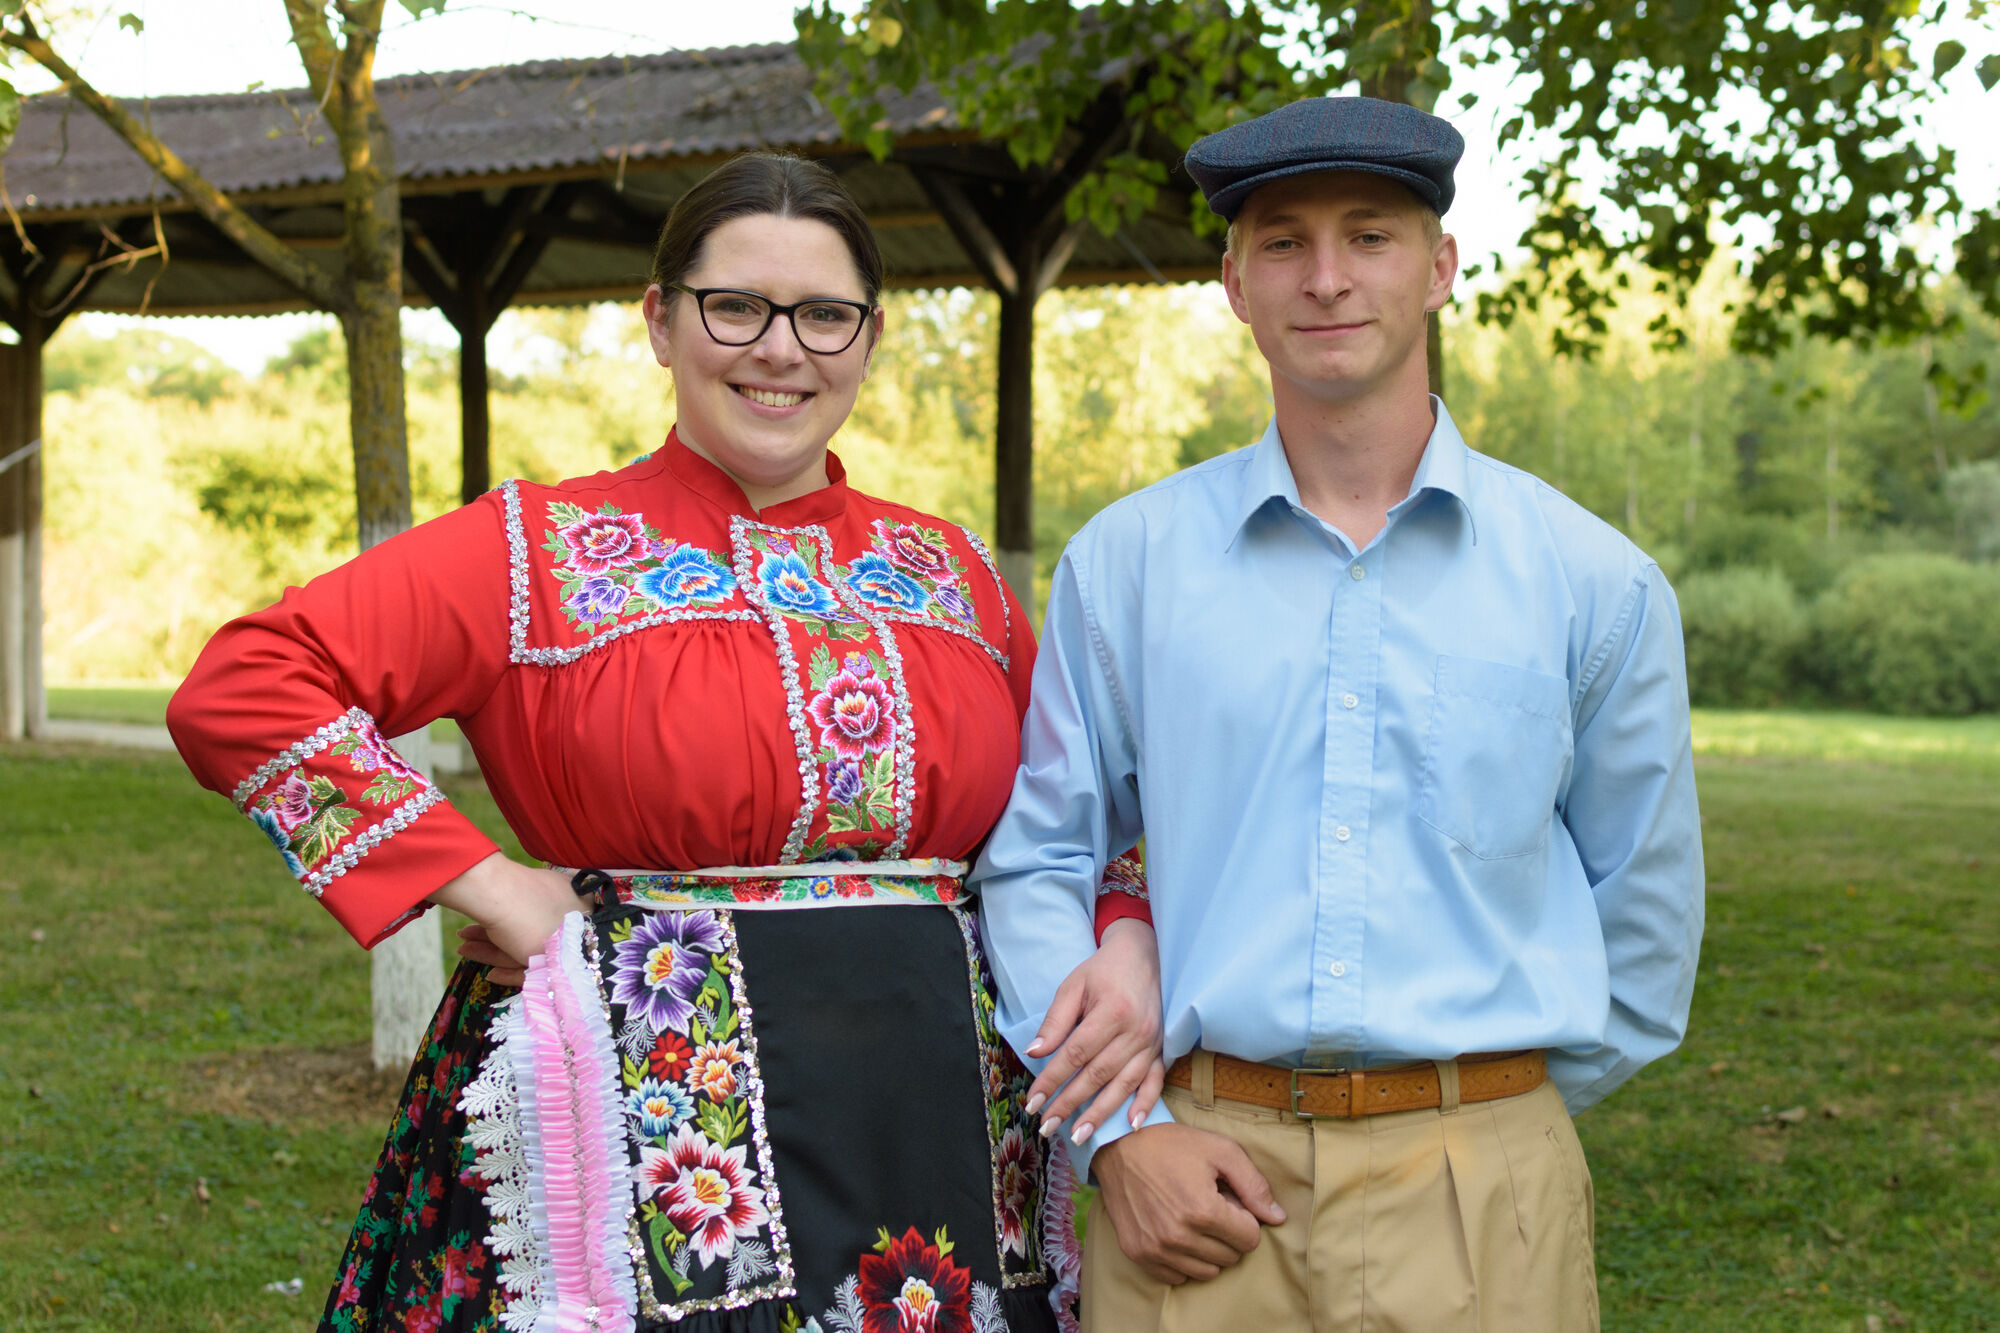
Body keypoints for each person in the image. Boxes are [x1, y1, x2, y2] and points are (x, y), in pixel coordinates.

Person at [167, 152, 1160, 1333]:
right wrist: (491, 884)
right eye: (735, 306)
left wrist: (1123, 937)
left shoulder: (952, 575)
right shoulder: (536, 551)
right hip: (632, 1124)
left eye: (823, 315)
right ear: (659, 320)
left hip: (931, 1132)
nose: (779, 349)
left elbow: (1081, 816)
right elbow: (243, 688)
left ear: (868, 337)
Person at [974, 96, 1705, 1331]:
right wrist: (1116, 1135)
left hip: (1485, 1190)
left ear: (1439, 267)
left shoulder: (1591, 581)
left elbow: (1644, 919)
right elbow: (1039, 856)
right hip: (1192, 1182)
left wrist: (1491, 1120)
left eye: (1369, 236)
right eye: (1282, 243)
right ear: (1232, 284)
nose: (1325, 278)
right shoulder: (1129, 565)